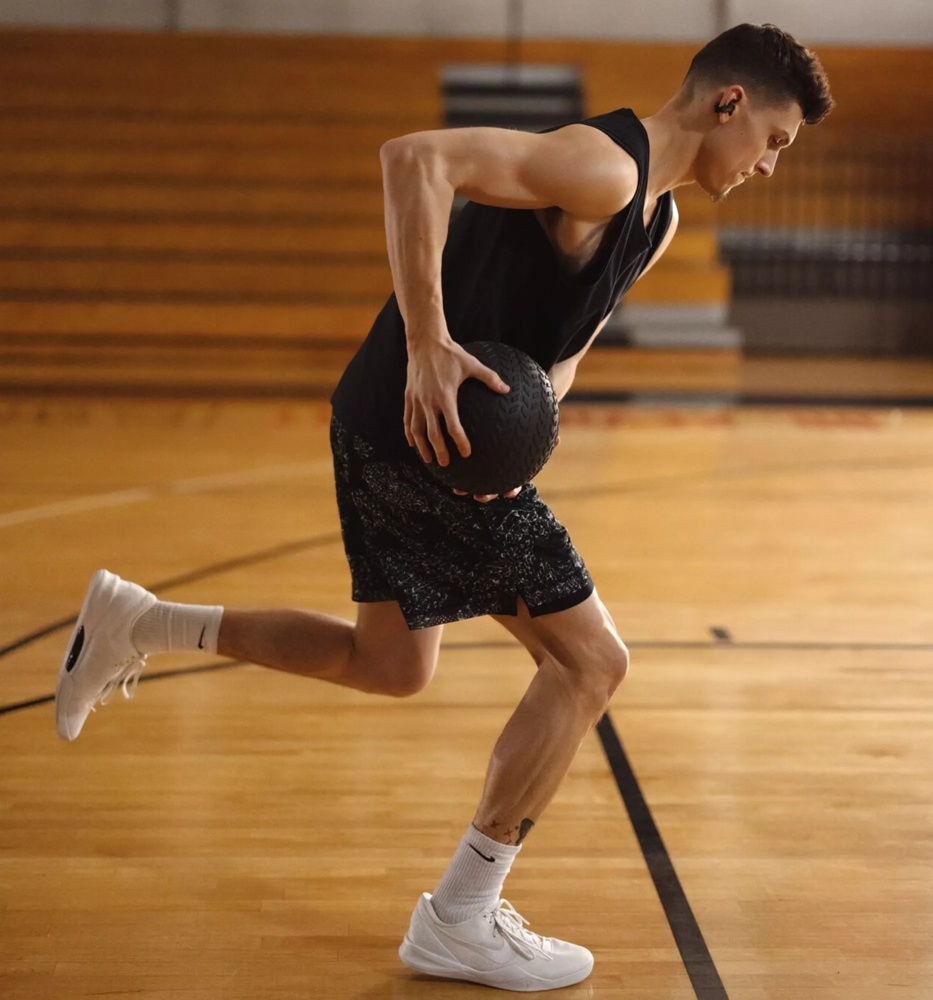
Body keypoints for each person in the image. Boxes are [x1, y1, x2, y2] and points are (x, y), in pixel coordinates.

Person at [55, 23, 833, 993]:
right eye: (775, 139)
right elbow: (416, 158)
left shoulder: (658, 218)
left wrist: (535, 436)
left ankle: (135, 620)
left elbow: (563, 350)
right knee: (592, 662)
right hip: (425, 436)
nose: (768, 163)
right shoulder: (605, 167)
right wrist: (428, 337)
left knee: (385, 662)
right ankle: (461, 914)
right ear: (730, 103)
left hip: (398, 431)